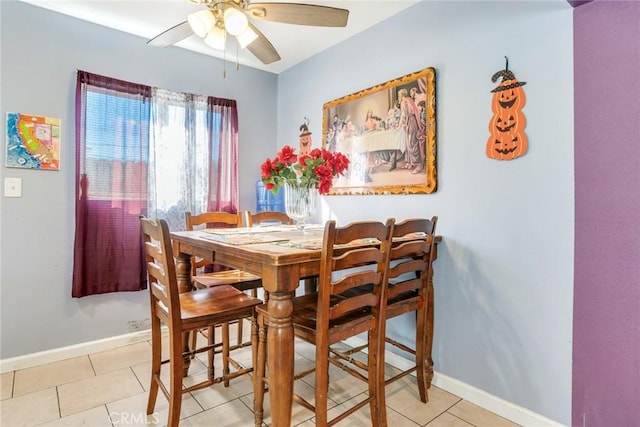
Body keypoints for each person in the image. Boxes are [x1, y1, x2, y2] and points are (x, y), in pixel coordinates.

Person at [398, 88, 426, 173]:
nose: (399, 97)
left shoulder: (404, 101)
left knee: (412, 143)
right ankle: (410, 163)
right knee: (409, 143)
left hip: (410, 122)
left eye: (399, 95)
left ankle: (418, 165)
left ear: (401, 95)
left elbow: (404, 115)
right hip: (413, 121)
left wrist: (401, 125)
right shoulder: (409, 99)